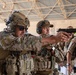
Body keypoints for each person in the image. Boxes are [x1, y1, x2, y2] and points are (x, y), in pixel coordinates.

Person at [0, 11, 70, 75]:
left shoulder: (27, 38)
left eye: (25, 29)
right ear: (12, 27)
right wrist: (53, 39)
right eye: (21, 28)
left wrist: (53, 43)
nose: (24, 31)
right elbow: (22, 43)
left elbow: (33, 41)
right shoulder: (3, 37)